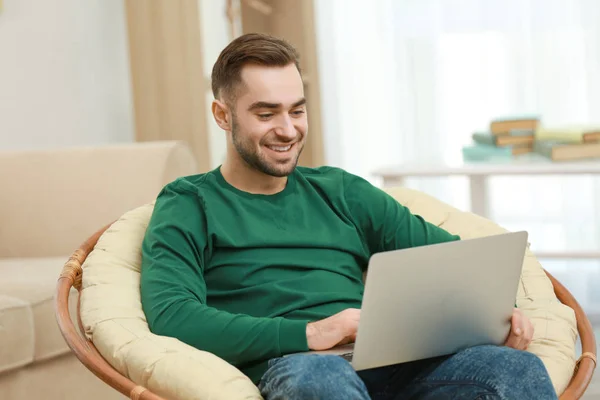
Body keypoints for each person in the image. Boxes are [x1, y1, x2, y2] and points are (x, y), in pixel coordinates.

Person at [140, 33, 557, 399]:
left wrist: (502, 311)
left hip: (390, 362)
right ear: (222, 115)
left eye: (297, 111)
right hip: (297, 367)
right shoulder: (188, 202)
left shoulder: (341, 191)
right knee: (319, 378)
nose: (287, 130)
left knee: (514, 370)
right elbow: (173, 315)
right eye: (266, 115)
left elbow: (460, 264)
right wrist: (312, 333)